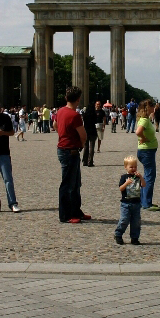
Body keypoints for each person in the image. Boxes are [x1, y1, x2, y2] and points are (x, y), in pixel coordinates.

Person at [56, 86, 90, 223]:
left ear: (66, 98)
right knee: (68, 184)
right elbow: (83, 135)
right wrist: (81, 145)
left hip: (63, 149)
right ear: (78, 99)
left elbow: (54, 125)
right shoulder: (75, 115)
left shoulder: (60, 111)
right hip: (70, 151)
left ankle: (76, 211)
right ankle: (65, 215)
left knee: (75, 183)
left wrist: (64, 134)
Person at [135, 99, 159, 211]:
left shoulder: (144, 119)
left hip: (146, 151)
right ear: (147, 107)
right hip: (146, 152)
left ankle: (143, 201)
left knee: (147, 176)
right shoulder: (144, 120)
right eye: (152, 106)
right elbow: (138, 132)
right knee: (150, 176)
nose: (154, 108)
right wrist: (144, 138)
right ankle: (146, 203)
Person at [115, 155, 145, 245]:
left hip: (136, 203)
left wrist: (141, 177)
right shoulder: (124, 177)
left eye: (135, 167)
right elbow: (121, 188)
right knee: (124, 220)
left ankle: (134, 237)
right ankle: (118, 234)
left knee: (136, 222)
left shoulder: (137, 177)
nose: (133, 169)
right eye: (131, 167)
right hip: (126, 203)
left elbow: (143, 185)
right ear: (126, 167)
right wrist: (126, 183)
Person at [82, 100, 100, 167]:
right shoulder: (94, 114)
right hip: (93, 131)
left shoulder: (85, 115)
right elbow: (96, 122)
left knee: (86, 146)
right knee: (92, 147)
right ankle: (90, 161)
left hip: (86, 131)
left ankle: (84, 161)